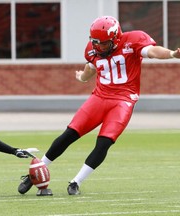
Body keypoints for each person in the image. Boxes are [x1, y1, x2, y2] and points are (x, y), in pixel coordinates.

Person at [18, 15, 180, 195]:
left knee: (103, 143)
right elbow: (92, 66)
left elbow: (152, 51)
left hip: (123, 101)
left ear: (115, 39)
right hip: (99, 98)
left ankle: (76, 182)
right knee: (69, 134)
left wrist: (172, 54)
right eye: (96, 42)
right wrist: (82, 78)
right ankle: (34, 174)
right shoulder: (93, 49)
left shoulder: (132, 41)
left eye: (103, 43)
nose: (99, 47)